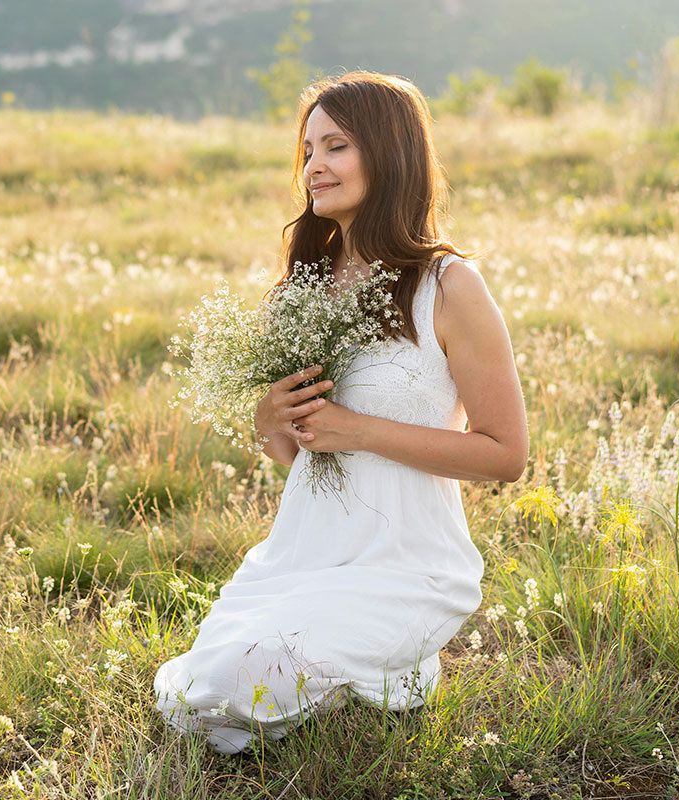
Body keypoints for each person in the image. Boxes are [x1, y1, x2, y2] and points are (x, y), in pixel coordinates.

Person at [152, 71, 529, 755]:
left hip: (406, 564)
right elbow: (301, 459)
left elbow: (506, 453)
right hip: (305, 554)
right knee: (194, 690)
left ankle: (391, 672)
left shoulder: (449, 285)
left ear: (389, 153)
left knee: (246, 684)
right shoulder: (304, 290)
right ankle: (366, 679)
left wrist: (360, 430)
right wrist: (272, 423)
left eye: (336, 146)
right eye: (306, 151)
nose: (314, 167)